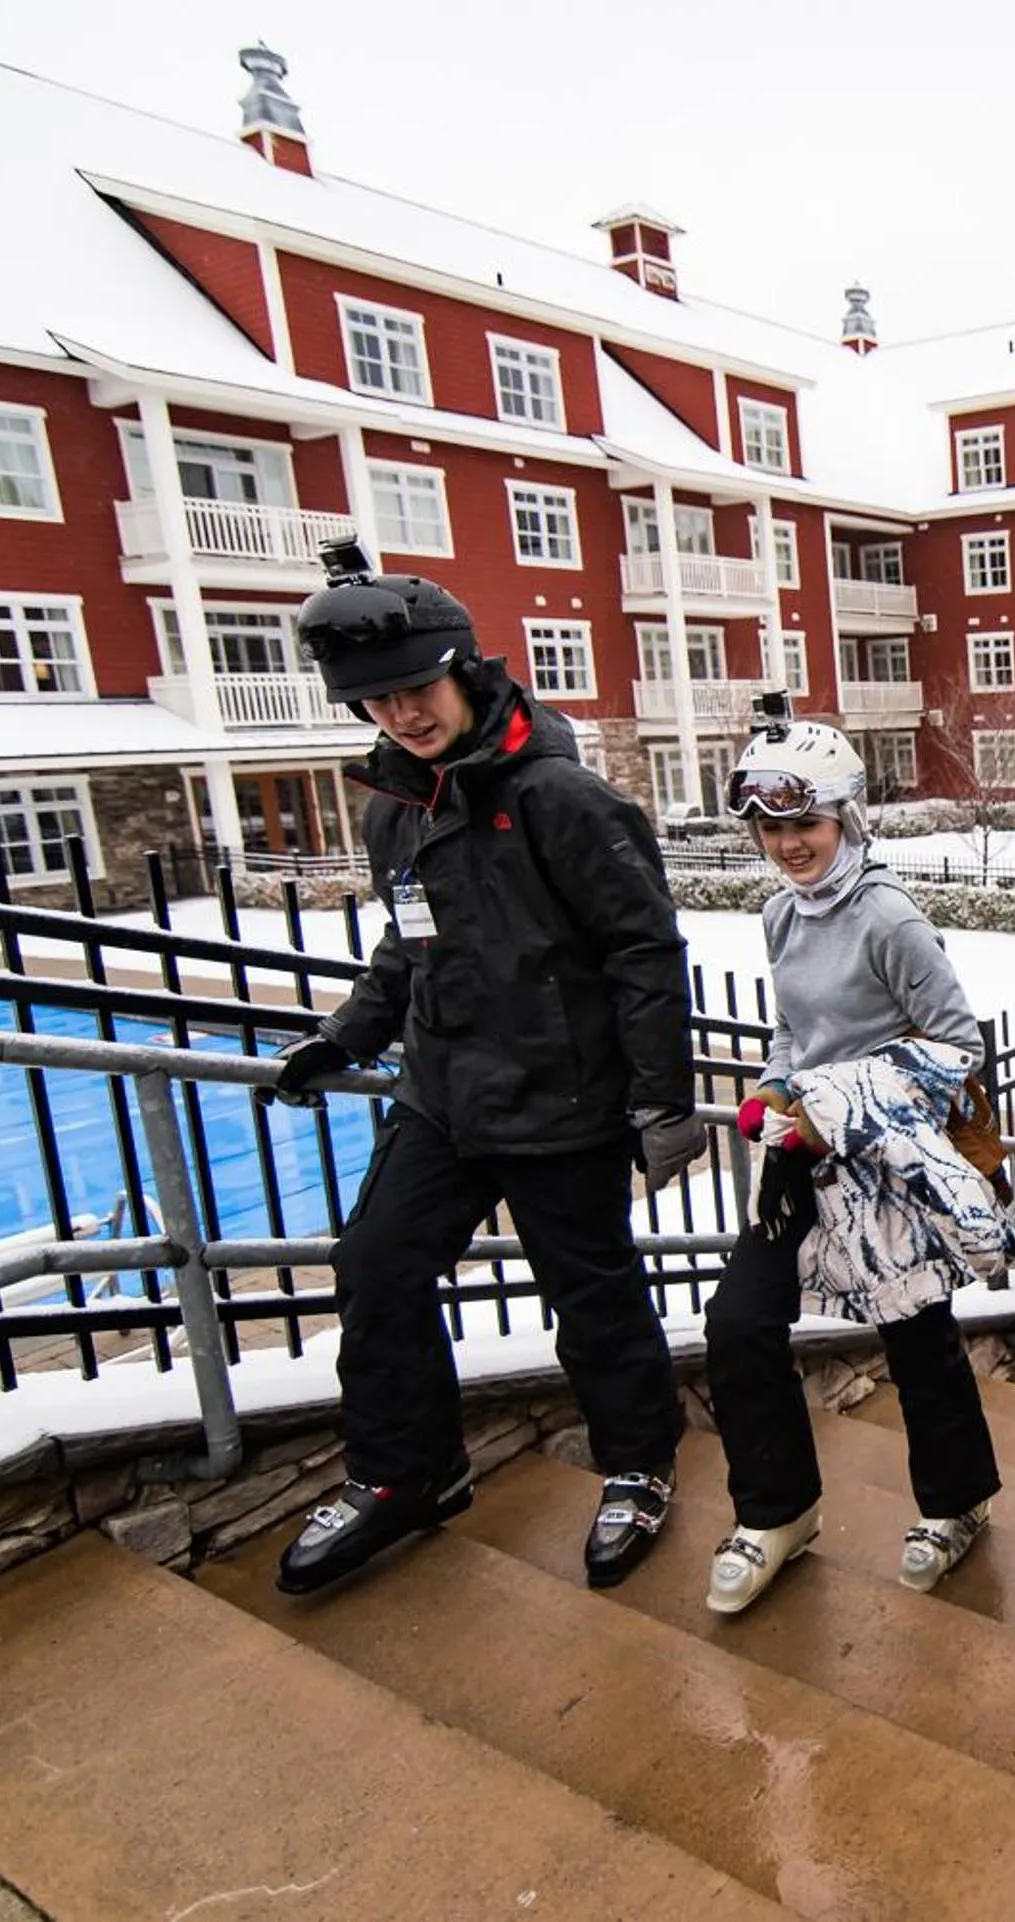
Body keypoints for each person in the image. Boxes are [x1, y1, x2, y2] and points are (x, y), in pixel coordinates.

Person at [263, 543, 700, 1598]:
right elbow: (409, 948)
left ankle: (637, 1463)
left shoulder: (561, 797)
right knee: (375, 1265)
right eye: (376, 701)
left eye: (415, 689)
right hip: (444, 1095)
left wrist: (661, 1098)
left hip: (564, 1103)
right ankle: (406, 1473)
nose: (402, 715)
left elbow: (644, 948)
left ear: (461, 668)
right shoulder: (393, 807)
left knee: (589, 1297)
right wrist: (349, 1036)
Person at [699, 701, 1007, 1614]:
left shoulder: (891, 920)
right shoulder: (780, 916)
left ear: (846, 820)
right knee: (739, 1328)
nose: (787, 844)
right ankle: (777, 1513)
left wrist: (830, 1109)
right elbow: (793, 1034)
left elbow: (959, 1047)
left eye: (804, 824)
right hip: (800, 1154)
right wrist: (772, 1087)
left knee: (918, 1346)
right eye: (770, 827)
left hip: (884, 1165)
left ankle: (955, 1507)